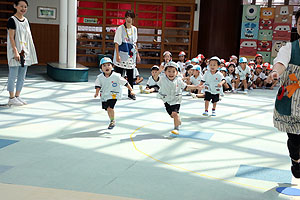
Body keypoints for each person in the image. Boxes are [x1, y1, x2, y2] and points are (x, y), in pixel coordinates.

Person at [272, 9, 300, 178]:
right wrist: (275, 72)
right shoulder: (289, 48)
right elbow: (280, 63)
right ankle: (295, 160)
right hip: (291, 99)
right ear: (296, 26)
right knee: (295, 139)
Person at [6, 0, 37, 106]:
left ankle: (17, 96)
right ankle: (11, 97)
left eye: (25, 7)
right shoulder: (12, 20)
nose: (23, 9)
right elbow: (11, 38)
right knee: (12, 75)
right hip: (15, 52)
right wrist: (15, 52)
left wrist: (29, 51)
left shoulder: (26, 21)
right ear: (15, 6)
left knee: (22, 76)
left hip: (25, 52)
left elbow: (28, 38)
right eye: (21, 6)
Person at [157, 61, 200, 135]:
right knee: (172, 115)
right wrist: (158, 72)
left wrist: (196, 86)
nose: (171, 73)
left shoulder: (179, 80)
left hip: (176, 100)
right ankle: (178, 120)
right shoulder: (162, 79)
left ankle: (176, 128)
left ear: (177, 72)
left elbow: (186, 87)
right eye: (169, 71)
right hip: (166, 100)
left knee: (175, 113)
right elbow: (156, 78)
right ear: (165, 72)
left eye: (173, 71)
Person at [94, 57, 135, 129]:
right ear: (101, 68)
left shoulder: (116, 76)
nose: (107, 67)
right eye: (104, 65)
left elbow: (125, 83)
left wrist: (131, 90)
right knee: (107, 109)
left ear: (112, 66)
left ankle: (112, 121)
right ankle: (111, 119)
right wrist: (97, 93)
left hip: (113, 94)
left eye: (108, 65)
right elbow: (98, 85)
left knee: (110, 108)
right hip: (104, 95)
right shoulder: (100, 77)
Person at [113, 10, 140, 100]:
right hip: (122, 53)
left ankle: (131, 93)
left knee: (130, 75)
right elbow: (116, 43)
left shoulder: (134, 29)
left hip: (131, 55)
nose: (129, 19)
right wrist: (117, 55)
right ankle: (115, 92)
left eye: (131, 17)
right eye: (127, 17)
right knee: (118, 75)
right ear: (125, 18)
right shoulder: (120, 28)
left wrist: (138, 54)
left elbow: (135, 43)